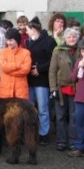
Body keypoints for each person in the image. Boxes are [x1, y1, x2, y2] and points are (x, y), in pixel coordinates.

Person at [26, 16, 57, 146]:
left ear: (33, 29)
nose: (26, 32)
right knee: (30, 108)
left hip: (42, 80)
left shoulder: (49, 41)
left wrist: (40, 68)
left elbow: (54, 60)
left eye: (28, 29)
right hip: (29, 80)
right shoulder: (28, 42)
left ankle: (44, 133)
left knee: (43, 108)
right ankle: (31, 132)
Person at [49, 27, 80, 151]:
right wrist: (53, 89)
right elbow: (52, 71)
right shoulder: (58, 51)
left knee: (74, 116)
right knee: (60, 116)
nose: (71, 39)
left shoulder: (82, 50)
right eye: (69, 37)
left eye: (74, 37)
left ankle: (73, 141)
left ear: (77, 38)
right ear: (65, 39)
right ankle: (61, 141)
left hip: (76, 88)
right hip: (60, 88)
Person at [0, 28, 32, 99]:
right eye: (7, 40)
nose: (8, 43)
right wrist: (18, 65)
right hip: (5, 92)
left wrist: (8, 71)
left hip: (20, 92)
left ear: (17, 40)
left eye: (11, 40)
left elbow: (25, 70)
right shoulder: (3, 52)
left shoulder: (26, 53)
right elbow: (3, 67)